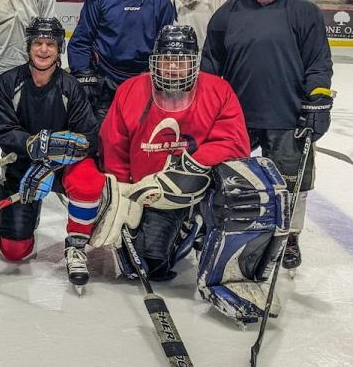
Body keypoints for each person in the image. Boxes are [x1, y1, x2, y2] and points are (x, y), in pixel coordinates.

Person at [75, 24, 250, 284]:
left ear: (194, 63)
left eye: (180, 62)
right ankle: (181, 229)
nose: (172, 68)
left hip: (201, 185)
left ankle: (204, 226)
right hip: (150, 192)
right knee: (149, 266)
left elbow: (235, 142)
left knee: (249, 188)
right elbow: (114, 144)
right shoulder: (130, 90)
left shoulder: (218, 90)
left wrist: (193, 165)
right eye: (166, 60)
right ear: (155, 61)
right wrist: (123, 190)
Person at [201, 0, 334, 271]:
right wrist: (204, 106)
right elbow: (210, 64)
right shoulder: (229, 12)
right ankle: (224, 225)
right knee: (227, 177)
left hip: (287, 115)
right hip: (236, 117)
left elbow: (318, 61)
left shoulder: (304, 11)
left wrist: (317, 99)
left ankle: (289, 237)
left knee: (293, 183)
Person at [0, 17, 99, 288]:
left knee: (90, 180)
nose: (43, 49)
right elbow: (3, 130)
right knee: (14, 251)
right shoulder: (8, 82)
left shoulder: (70, 86)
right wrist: (34, 145)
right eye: (37, 43)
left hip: (61, 166)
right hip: (21, 165)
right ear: (28, 47)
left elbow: (88, 138)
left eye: (50, 44)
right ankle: (30, 210)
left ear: (59, 48)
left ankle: (77, 243)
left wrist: (51, 155)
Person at [67, 0, 176, 122]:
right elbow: (81, 41)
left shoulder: (161, 1)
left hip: (143, 84)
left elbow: (165, 50)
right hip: (104, 84)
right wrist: (85, 76)